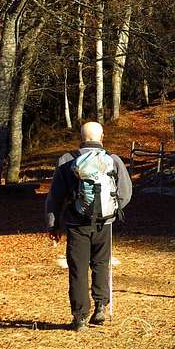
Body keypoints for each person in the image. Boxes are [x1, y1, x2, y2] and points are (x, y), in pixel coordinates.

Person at [45, 121, 132, 331]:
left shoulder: (67, 160)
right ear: (102, 138)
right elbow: (126, 193)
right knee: (101, 264)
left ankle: (79, 317)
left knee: (78, 269)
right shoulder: (113, 160)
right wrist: (111, 209)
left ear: (81, 138)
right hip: (105, 224)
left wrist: (53, 224)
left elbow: (55, 197)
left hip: (76, 223)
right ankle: (101, 306)